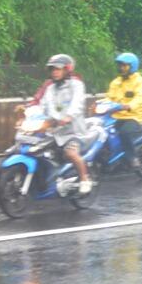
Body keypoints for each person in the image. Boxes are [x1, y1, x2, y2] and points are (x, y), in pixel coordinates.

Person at [38, 54, 93, 194]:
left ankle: (84, 179)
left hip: (74, 132)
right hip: (55, 132)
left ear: (67, 70)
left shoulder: (77, 85)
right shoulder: (50, 88)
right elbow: (44, 105)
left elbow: (77, 105)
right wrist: (30, 115)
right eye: (52, 69)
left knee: (70, 153)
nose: (54, 72)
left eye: (58, 69)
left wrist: (68, 117)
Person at [107, 52, 142, 169]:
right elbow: (109, 97)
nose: (121, 68)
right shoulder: (116, 82)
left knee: (124, 132)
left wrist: (129, 105)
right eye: (120, 65)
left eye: (124, 66)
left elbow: (140, 98)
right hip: (117, 116)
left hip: (134, 116)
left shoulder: (140, 82)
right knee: (103, 132)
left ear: (132, 66)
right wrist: (98, 103)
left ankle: (133, 158)